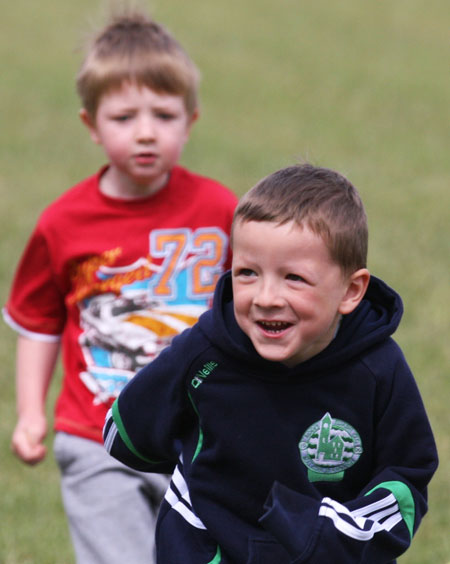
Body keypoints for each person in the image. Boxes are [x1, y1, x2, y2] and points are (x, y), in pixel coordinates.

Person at [104, 163, 438, 563]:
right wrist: (197, 469)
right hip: (205, 549)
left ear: (351, 291)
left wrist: (329, 531)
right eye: (247, 273)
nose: (265, 297)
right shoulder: (207, 352)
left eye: (293, 278)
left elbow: (407, 476)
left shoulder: (377, 369)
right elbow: (124, 434)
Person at [3, 9, 238, 564]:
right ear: (91, 124)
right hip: (96, 436)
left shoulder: (221, 210)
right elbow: (37, 323)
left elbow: (246, 313)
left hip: (200, 438)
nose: (147, 131)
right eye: (124, 116)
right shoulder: (64, 223)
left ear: (191, 120)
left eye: (164, 113)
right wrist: (31, 411)